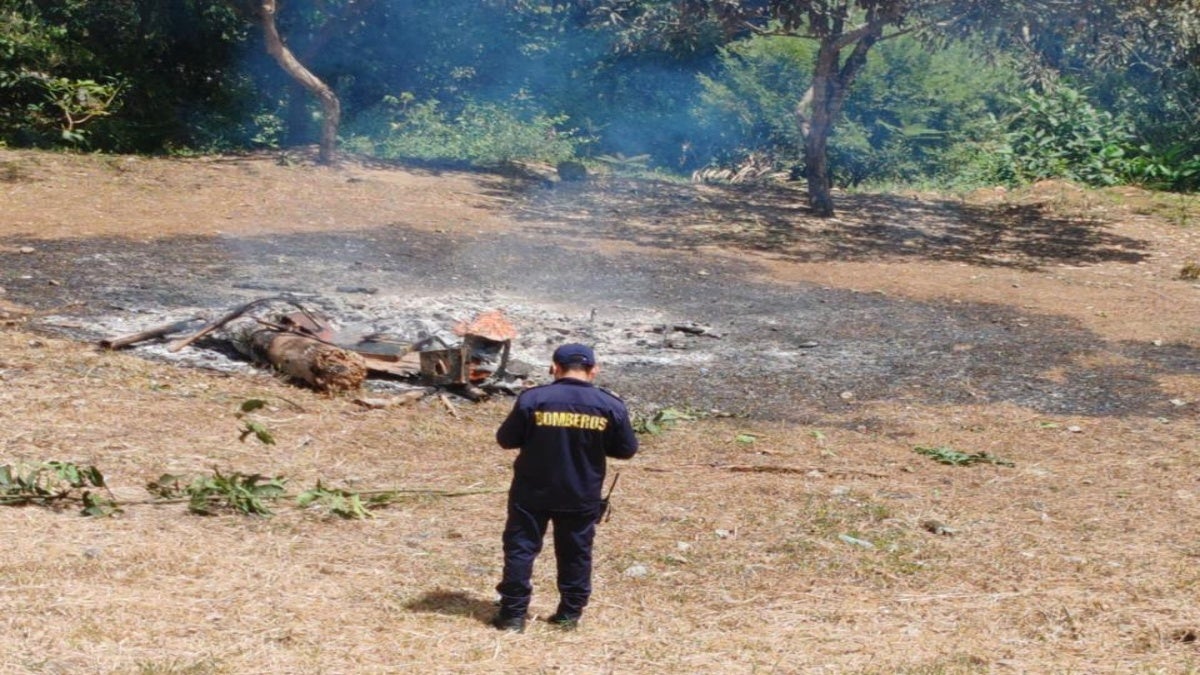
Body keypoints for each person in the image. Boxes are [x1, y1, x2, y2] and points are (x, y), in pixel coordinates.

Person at [491, 343, 638, 632]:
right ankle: (569, 614)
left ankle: (512, 616)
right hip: (581, 493)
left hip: (531, 491)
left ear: (554, 368)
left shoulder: (534, 399)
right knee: (576, 552)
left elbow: (506, 440)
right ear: (593, 370)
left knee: (521, 549)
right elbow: (626, 450)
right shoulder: (609, 405)